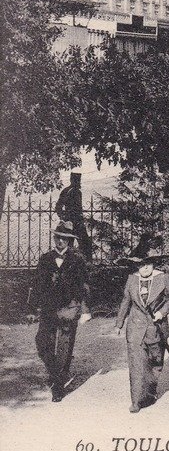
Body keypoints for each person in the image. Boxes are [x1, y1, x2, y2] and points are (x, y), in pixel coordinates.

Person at [115, 247, 169, 413]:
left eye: (148, 264)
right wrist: (119, 323)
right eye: (141, 264)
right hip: (135, 328)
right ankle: (136, 401)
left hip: (155, 328)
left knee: (155, 363)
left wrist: (161, 312)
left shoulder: (163, 278)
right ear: (136, 266)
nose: (145, 268)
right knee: (136, 364)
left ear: (153, 264)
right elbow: (126, 301)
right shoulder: (131, 279)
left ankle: (150, 393)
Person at [31, 221, 89, 402]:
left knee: (64, 346)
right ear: (54, 238)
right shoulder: (45, 258)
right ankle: (56, 373)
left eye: (64, 239)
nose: (60, 242)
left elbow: (84, 286)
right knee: (42, 343)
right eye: (57, 238)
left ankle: (57, 386)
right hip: (49, 308)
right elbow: (37, 284)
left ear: (70, 241)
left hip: (69, 308)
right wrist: (32, 308)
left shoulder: (78, 260)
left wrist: (85, 310)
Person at [56, 171, 92, 262]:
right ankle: (84, 265)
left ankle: (82, 264)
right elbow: (58, 207)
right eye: (76, 180)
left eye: (78, 181)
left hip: (73, 222)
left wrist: (63, 217)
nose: (78, 183)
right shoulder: (70, 191)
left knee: (77, 245)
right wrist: (64, 218)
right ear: (72, 180)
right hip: (74, 223)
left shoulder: (69, 191)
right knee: (79, 245)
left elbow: (58, 207)